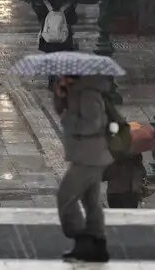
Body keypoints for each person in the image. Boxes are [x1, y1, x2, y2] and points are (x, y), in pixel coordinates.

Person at [53, 75, 114, 262]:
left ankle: (83, 241)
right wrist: (59, 95)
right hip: (87, 155)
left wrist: (70, 119)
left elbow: (93, 123)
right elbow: (60, 111)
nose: (59, 76)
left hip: (90, 155)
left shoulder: (88, 94)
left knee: (66, 196)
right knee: (91, 201)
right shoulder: (73, 92)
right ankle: (97, 244)